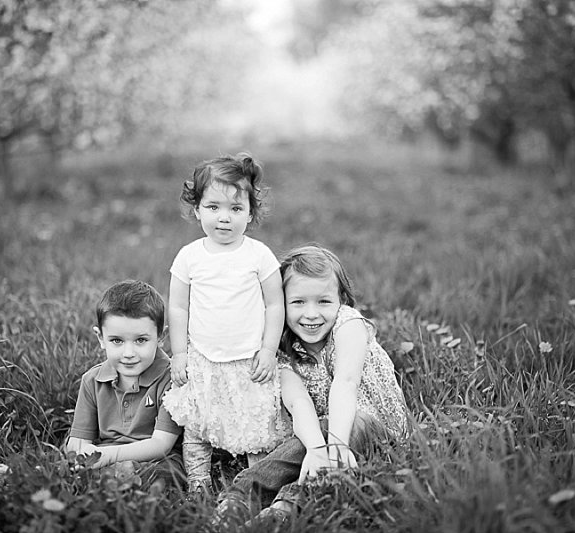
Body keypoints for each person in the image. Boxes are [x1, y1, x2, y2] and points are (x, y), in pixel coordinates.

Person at [213, 244, 411, 527]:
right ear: (280, 304)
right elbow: (299, 404)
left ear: (341, 301)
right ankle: (240, 497)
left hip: (377, 431)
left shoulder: (348, 324)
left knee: (343, 427)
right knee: (305, 444)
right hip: (325, 429)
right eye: (298, 302)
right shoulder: (281, 352)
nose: (311, 314)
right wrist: (319, 448)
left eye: (324, 302)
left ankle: (286, 506)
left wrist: (338, 445)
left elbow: (346, 382)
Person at [162, 152, 291, 493]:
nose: (224, 218)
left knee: (256, 422)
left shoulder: (258, 255)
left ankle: (256, 481)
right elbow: (178, 308)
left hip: (249, 357)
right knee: (198, 420)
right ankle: (199, 479)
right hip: (203, 355)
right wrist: (179, 353)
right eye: (213, 207)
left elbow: (274, 304)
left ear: (250, 213)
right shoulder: (190, 256)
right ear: (196, 210)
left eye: (236, 209)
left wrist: (268, 348)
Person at [63, 279, 185, 489]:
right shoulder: (92, 380)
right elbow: (79, 438)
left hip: (153, 459)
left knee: (165, 475)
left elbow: (161, 445)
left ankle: (115, 485)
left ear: (161, 336)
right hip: (103, 455)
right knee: (66, 464)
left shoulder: (172, 379)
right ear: (101, 338)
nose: (129, 353)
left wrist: (108, 455)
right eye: (117, 341)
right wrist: (83, 454)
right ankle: (18, 477)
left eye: (140, 340)